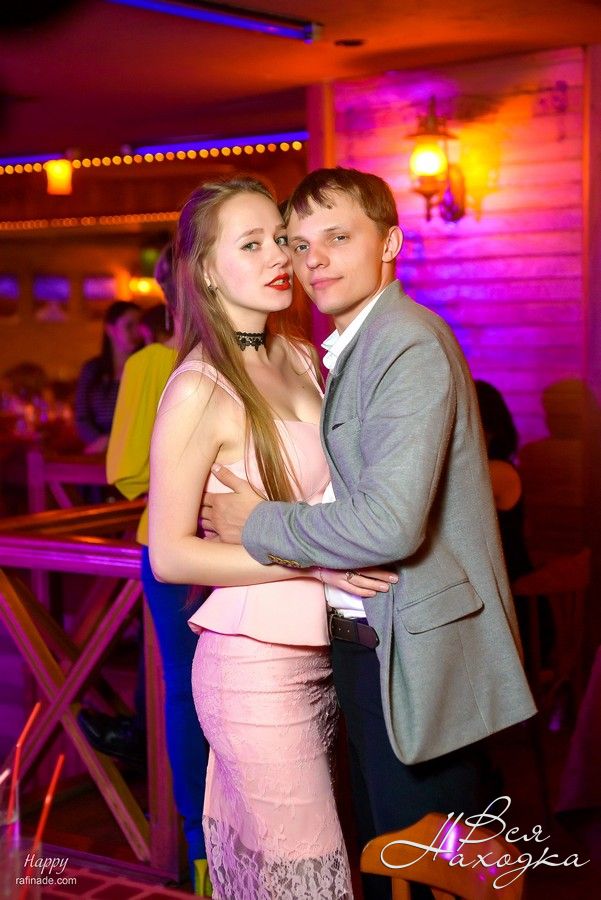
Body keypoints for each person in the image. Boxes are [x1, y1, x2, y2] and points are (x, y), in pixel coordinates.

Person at [201, 167, 537, 900]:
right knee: (397, 863)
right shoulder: (355, 345)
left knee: (430, 874)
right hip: (374, 647)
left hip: (413, 652)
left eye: (338, 237)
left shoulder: (405, 343)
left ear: (389, 244)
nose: (312, 259)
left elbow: (388, 523)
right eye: (299, 243)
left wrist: (257, 521)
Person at [148, 176, 391, 899]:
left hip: (324, 652)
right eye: (251, 244)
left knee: (310, 869)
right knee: (312, 877)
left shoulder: (300, 357)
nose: (281, 256)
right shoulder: (199, 386)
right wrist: (317, 566)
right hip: (253, 668)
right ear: (205, 270)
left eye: (280, 238)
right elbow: (170, 555)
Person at [78, 246, 211, 893]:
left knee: (189, 693)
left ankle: (202, 854)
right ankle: (226, 847)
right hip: (233, 547)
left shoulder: (154, 364)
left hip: (175, 549)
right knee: (224, 695)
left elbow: (126, 472)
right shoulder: (238, 359)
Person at [475, 379, 554, 669]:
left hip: (515, 605)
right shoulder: (488, 469)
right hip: (498, 596)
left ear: (490, 429)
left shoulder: (498, 471)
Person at [74, 300, 142, 454]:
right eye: (129, 326)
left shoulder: (145, 367)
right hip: (99, 449)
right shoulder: (93, 369)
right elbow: (82, 417)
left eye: (139, 326)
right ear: (110, 329)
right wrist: (102, 441)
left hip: (134, 449)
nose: (136, 332)